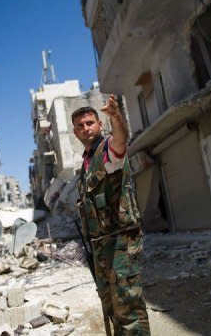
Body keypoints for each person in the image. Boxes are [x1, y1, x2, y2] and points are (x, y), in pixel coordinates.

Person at [72, 95, 151, 335]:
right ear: (75, 132)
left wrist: (116, 116)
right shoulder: (85, 166)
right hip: (100, 247)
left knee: (128, 310)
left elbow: (120, 140)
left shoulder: (107, 151)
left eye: (90, 123)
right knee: (112, 309)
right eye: (80, 126)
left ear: (100, 125)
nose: (85, 128)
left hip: (120, 242)